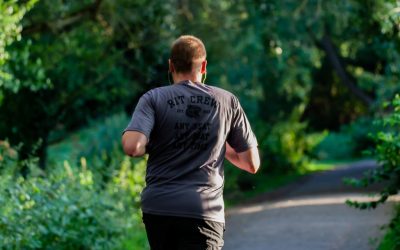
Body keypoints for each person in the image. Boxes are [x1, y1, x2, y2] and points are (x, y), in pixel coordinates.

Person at [122, 35, 260, 250]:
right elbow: (251, 163)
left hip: (159, 208)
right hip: (203, 210)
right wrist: (219, 144)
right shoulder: (227, 101)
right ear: (204, 66)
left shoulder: (153, 98)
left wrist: (155, 141)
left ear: (170, 65)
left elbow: (132, 147)